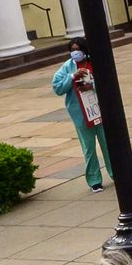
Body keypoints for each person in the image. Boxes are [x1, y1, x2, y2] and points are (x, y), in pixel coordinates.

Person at [53, 38, 114, 193]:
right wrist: (72, 77)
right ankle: (95, 181)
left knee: (108, 145)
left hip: (99, 111)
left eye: (78, 49)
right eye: (72, 49)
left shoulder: (95, 62)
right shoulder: (67, 67)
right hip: (81, 114)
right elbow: (58, 87)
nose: (75, 52)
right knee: (89, 148)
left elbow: (108, 80)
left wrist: (91, 85)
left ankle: (116, 173)